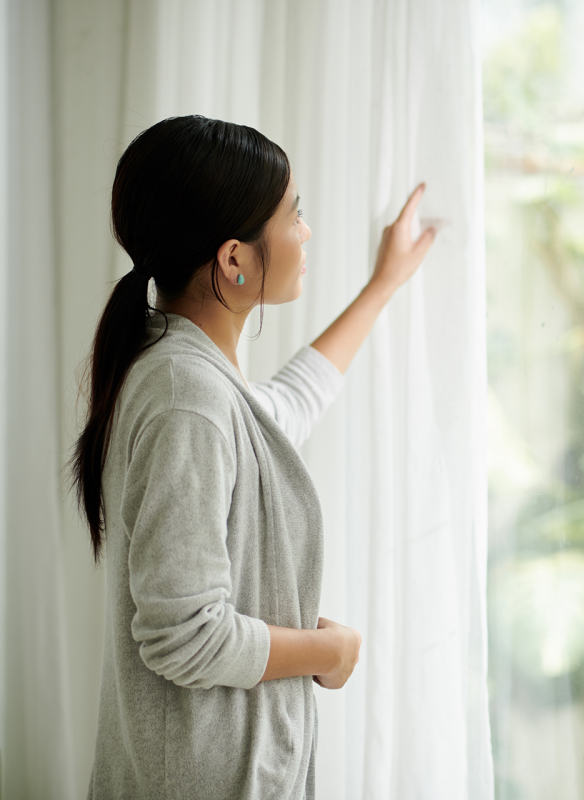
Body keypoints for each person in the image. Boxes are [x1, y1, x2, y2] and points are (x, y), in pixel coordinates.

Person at [67, 114, 436, 799]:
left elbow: (282, 408)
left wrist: (382, 285)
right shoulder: (187, 396)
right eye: (294, 214)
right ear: (235, 258)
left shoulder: (185, 370)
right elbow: (183, 634)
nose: (306, 231)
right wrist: (328, 651)